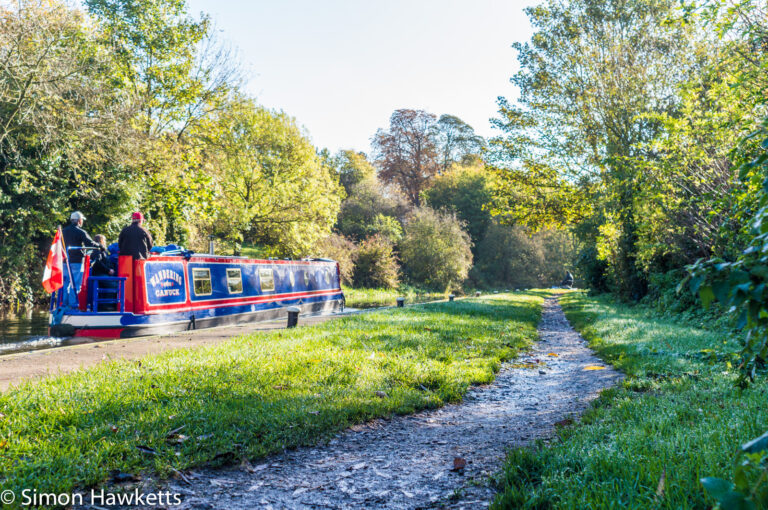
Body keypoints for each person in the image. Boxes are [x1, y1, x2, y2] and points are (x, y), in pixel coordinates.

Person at [62, 211, 99, 306]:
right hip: (77, 262)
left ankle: (64, 304)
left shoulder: (63, 231)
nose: (82, 222)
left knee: (65, 284)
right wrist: (100, 246)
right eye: (82, 220)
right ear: (79, 221)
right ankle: (73, 305)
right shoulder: (81, 232)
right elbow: (90, 243)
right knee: (75, 284)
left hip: (64, 261)